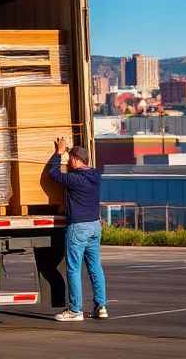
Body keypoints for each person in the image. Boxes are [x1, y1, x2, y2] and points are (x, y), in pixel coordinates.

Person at [49, 137, 108, 321]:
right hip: (95, 226)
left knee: (73, 268)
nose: (68, 162)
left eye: (69, 159)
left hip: (78, 227)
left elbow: (53, 174)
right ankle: (101, 306)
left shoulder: (74, 179)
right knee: (95, 267)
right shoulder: (96, 176)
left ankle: (75, 310)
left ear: (75, 159)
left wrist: (58, 152)